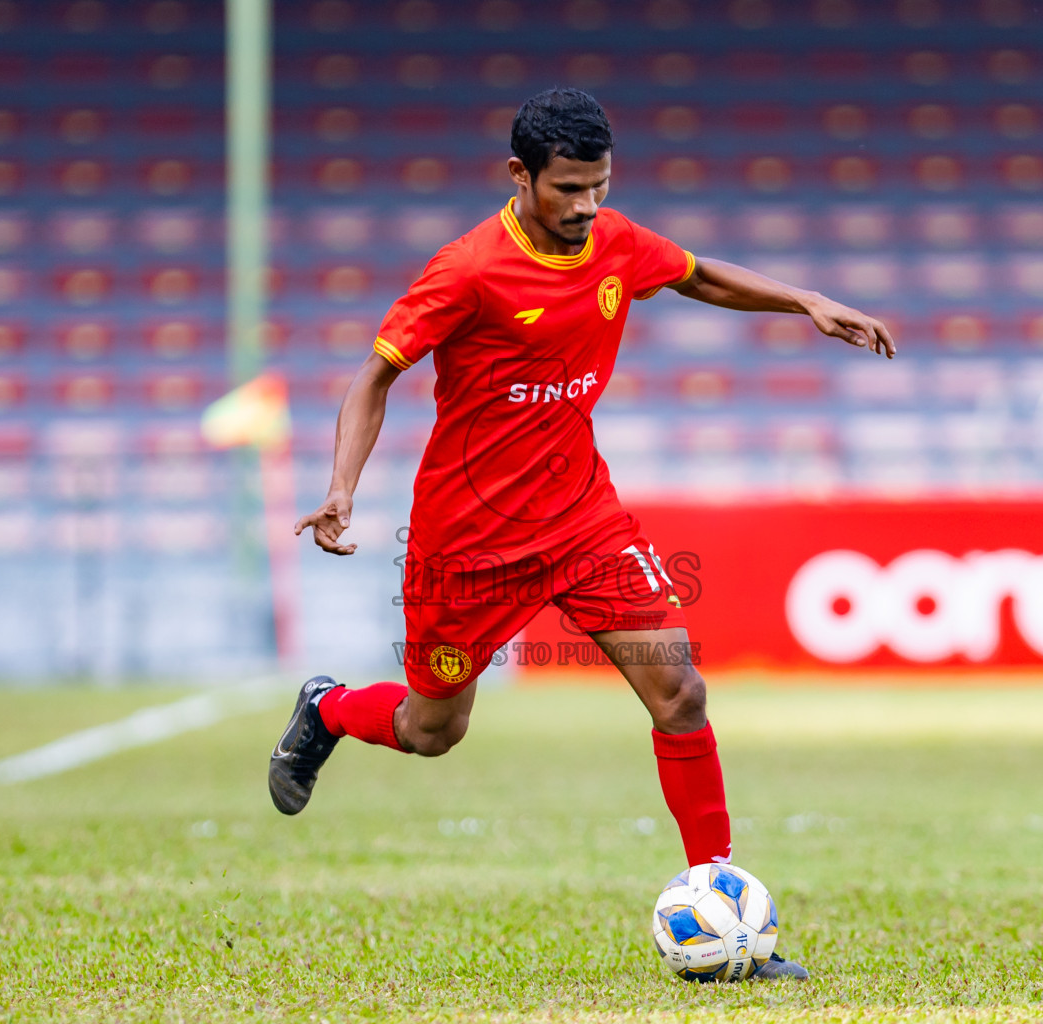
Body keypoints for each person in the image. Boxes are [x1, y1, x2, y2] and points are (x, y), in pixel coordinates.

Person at [269, 88, 893, 981]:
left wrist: (806, 301)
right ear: (520, 176)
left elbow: (697, 274)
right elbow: (374, 378)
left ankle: (721, 904)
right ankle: (327, 708)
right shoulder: (467, 270)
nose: (587, 206)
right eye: (569, 189)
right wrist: (340, 488)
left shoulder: (611, 241)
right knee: (433, 729)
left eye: (599, 186)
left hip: (582, 520)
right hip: (467, 546)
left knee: (678, 690)